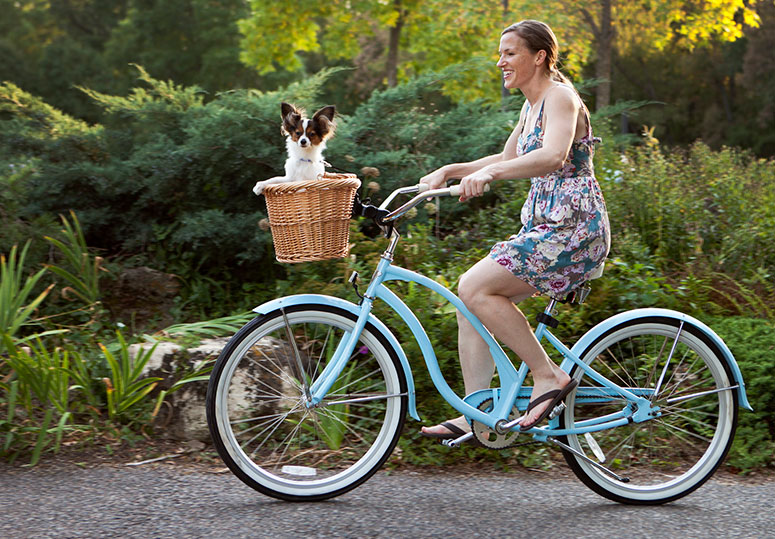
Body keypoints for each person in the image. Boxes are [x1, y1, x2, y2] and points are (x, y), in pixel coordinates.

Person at [419, 20, 610, 438]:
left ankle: (548, 376)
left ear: (538, 56)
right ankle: (480, 413)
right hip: (547, 227)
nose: (500, 61)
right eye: (500, 53)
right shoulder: (530, 106)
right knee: (469, 300)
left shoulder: (561, 97)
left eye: (509, 53)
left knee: (473, 285)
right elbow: (505, 156)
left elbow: (554, 156)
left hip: (574, 230)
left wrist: (493, 174)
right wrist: (452, 171)